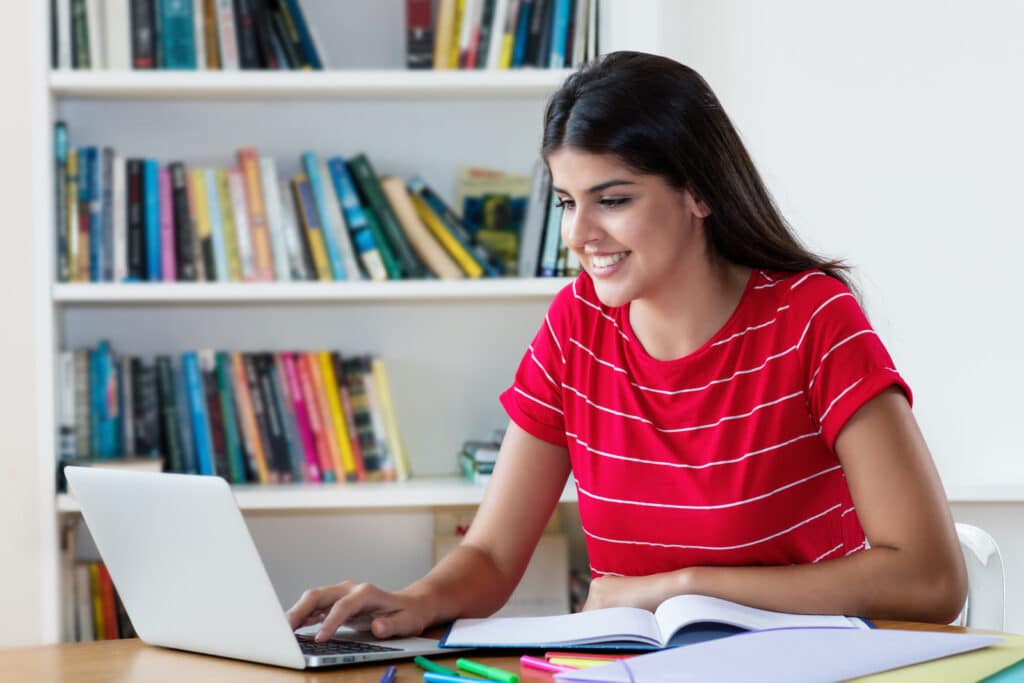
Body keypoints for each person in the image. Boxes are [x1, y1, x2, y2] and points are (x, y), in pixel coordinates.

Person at [287, 51, 967, 642]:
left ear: (698, 190)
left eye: (611, 199)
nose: (578, 235)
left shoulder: (813, 317)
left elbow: (932, 576)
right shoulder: (576, 323)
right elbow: (493, 555)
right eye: (565, 201)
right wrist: (413, 600)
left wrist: (683, 586)